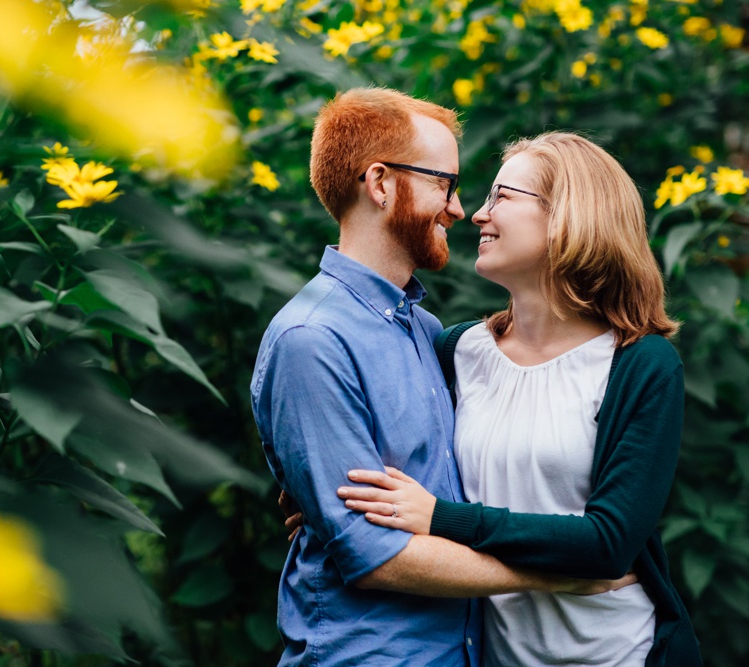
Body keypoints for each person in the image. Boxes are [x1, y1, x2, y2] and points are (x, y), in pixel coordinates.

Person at [251, 90, 628, 667]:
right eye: (445, 184)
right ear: (381, 184)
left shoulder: (427, 332)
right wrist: (558, 575)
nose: (458, 209)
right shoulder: (312, 339)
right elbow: (376, 557)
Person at [336, 132, 702, 666]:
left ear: (569, 216)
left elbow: (609, 545)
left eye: (502, 197)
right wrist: (324, 495)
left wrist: (442, 518)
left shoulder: (640, 365)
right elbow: (396, 454)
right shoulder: (458, 353)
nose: (477, 214)